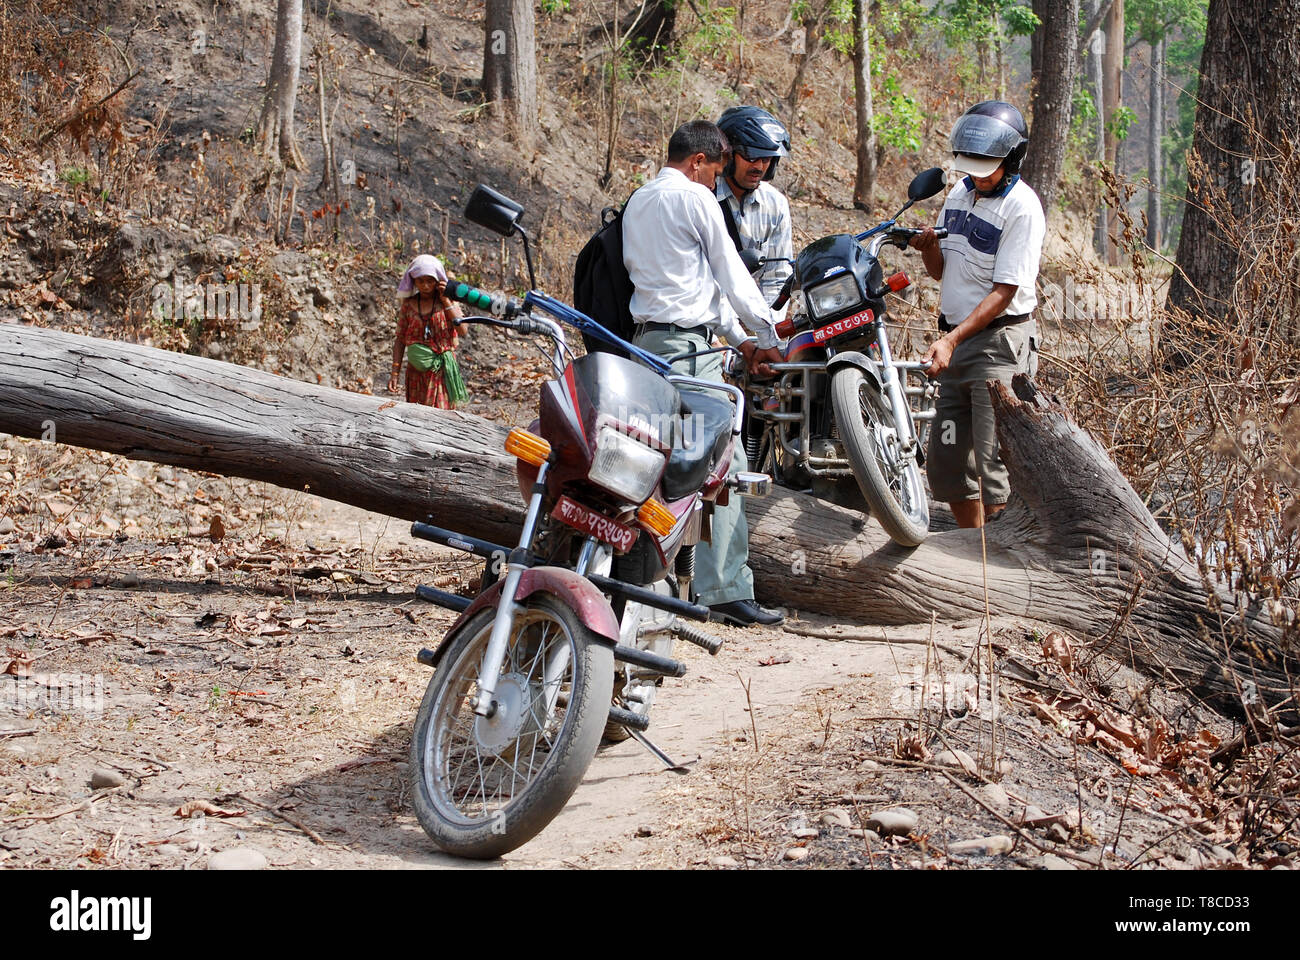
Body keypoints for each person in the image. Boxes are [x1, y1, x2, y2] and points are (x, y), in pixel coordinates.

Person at [622, 119, 785, 628]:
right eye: (715, 172)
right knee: (725, 462)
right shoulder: (696, 201)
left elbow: (691, 287)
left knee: (658, 463)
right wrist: (770, 335)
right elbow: (730, 275)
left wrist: (738, 339)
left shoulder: (639, 200)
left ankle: (644, 583)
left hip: (647, 345)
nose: (718, 183)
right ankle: (723, 590)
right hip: (689, 353)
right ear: (699, 162)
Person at [909, 101, 1046, 528]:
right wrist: (930, 246)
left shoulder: (1022, 207)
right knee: (950, 465)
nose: (978, 175)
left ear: (1011, 159)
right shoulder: (958, 193)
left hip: (998, 347)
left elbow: (1005, 291)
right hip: (955, 345)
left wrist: (951, 341)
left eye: (988, 166)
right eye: (972, 166)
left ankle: (1003, 565)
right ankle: (973, 547)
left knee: (994, 464)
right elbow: (942, 272)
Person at [714, 106, 794, 320]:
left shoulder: (775, 204)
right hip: (703, 319)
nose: (759, 166)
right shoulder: (702, 197)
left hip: (749, 321)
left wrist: (767, 331)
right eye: (751, 157)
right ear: (729, 155)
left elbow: (777, 276)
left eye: (766, 159)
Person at [388, 254, 468, 408]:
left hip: (441, 372)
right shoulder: (409, 305)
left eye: (430, 281)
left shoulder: (447, 303)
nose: (425, 286)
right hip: (415, 374)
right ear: (413, 281)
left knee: (441, 416)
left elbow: (463, 329)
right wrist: (395, 372)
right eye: (420, 281)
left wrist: (445, 300)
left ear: (438, 281)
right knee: (417, 417)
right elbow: (400, 339)